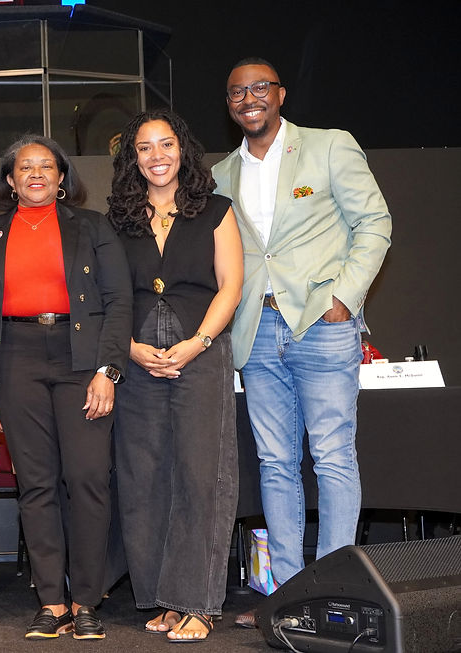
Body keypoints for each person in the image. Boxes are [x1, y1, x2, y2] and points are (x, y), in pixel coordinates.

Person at [211, 58, 392, 625]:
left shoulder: (330, 146)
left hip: (323, 323)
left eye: (260, 87)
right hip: (257, 331)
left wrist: (346, 297)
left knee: (334, 457)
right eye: (238, 91)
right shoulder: (220, 175)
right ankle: (288, 595)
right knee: (275, 462)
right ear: (229, 103)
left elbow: (376, 223)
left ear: (281, 94)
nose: (249, 98)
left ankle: (338, 590)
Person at [0, 135, 132, 640]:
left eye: (46, 166)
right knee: (35, 484)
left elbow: (118, 302)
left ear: (63, 178)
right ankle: (52, 602)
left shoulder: (93, 227)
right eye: (25, 167)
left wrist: (108, 371)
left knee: (87, 478)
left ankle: (86, 600)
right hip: (15, 359)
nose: (36, 174)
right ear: (10, 180)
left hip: (80, 358)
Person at [107, 108, 243, 642]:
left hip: (201, 349)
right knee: (144, 477)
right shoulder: (119, 218)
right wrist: (132, 349)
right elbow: (110, 295)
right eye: (145, 147)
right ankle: (163, 597)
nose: (157, 155)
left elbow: (231, 285)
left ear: (182, 150)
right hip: (138, 356)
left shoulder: (215, 210)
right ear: (132, 158)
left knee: (200, 474)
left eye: (166, 144)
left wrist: (197, 344)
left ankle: (199, 602)